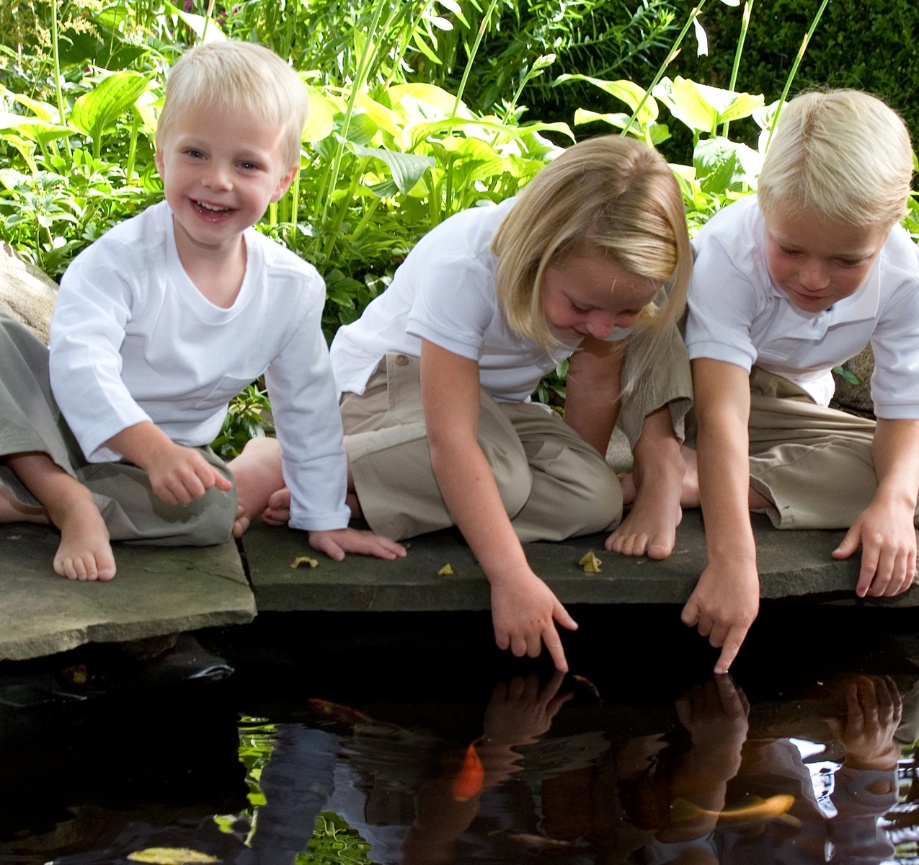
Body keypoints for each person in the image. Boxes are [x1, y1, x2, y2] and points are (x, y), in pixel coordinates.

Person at [0, 40, 404, 582]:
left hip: (164, 466)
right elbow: (80, 369)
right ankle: (61, 496)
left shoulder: (290, 288)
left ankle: (30, 498)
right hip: (60, 421)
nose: (218, 179)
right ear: (161, 154)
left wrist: (325, 518)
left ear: (283, 179)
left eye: (246, 163)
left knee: (214, 511)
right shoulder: (119, 262)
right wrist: (152, 449)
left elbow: (307, 408)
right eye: (195, 154)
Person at [323, 135, 696, 671]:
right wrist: (511, 575)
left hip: (494, 409)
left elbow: (592, 383)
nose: (600, 328)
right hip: (386, 385)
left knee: (594, 498)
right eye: (582, 307)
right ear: (539, 249)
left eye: (623, 315)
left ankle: (382, 490)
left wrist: (572, 465)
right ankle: (317, 462)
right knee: (500, 477)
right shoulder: (467, 268)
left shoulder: (609, 291)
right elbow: (450, 439)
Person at [682, 89, 919, 673]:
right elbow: (722, 413)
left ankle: (694, 481)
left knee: (905, 476)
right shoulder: (728, 254)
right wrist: (734, 557)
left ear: (888, 228)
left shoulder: (904, 277)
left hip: (785, 408)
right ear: (765, 205)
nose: (813, 279)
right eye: (790, 249)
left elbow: (903, 413)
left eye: (847, 261)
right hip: (695, 397)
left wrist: (893, 501)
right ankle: (679, 465)